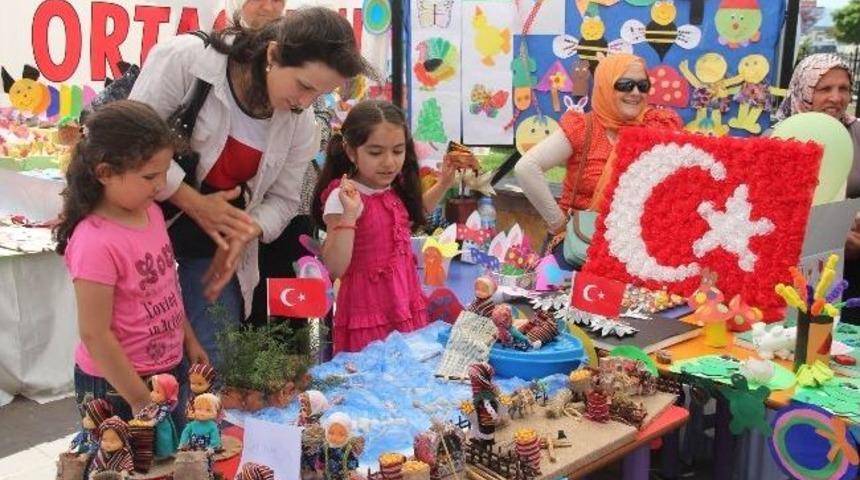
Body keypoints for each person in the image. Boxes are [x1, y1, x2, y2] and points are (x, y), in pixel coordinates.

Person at [129, 7, 372, 365]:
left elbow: (285, 200)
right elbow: (129, 147)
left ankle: (200, 419)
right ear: (273, 54)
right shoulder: (184, 60)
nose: (304, 103)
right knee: (141, 348)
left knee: (213, 358)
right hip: (140, 227)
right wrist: (194, 202)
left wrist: (247, 229)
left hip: (215, 243)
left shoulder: (302, 123)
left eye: (319, 95)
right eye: (303, 85)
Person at [54, 101, 207, 426]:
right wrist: (139, 399)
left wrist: (189, 339)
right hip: (117, 385)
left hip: (169, 369)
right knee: (123, 467)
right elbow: (95, 333)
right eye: (150, 175)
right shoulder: (95, 241)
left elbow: (166, 289)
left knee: (171, 462)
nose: (160, 184)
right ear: (105, 173)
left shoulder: (150, 212)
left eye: (165, 172)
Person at [311, 100, 477, 353]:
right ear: (350, 151)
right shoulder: (344, 196)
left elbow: (407, 219)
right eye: (376, 153)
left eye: (398, 151)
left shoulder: (389, 186)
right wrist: (349, 216)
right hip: (368, 310)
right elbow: (335, 267)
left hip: (405, 300)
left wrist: (443, 183)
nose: (389, 162)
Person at [513, 53, 682, 267]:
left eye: (643, 85)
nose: (635, 92)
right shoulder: (584, 128)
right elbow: (526, 168)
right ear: (604, 85)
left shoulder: (657, 129)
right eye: (625, 85)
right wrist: (559, 224)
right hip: (581, 246)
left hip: (636, 250)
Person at [772, 53, 859, 323]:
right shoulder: (779, 138)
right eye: (824, 89)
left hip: (852, 272)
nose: (836, 97)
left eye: (843, 89)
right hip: (790, 269)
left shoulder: (857, 134)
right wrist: (829, 232)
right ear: (803, 90)